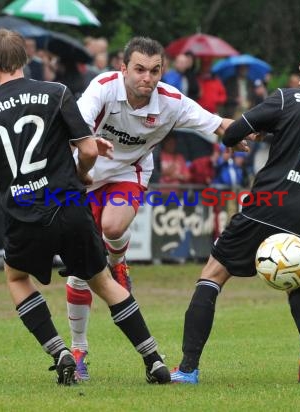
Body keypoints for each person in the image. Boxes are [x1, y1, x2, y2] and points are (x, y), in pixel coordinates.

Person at [0, 29, 170, 385]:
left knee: (16, 278)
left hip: (23, 211)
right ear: (26, 59)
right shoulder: (56, 93)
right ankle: (153, 359)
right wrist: (81, 174)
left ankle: (60, 351)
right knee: (103, 282)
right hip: (67, 204)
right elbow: (89, 149)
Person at [169, 39, 300, 384]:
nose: (299, 74)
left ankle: (188, 369)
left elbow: (233, 132)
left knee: (213, 274)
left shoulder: (286, 98)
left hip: (270, 205)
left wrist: (245, 137)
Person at [66, 36, 235, 381]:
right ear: (123, 68)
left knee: (113, 228)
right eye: (139, 69)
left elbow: (218, 124)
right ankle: (79, 348)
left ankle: (118, 260)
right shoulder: (103, 87)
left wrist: (249, 132)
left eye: (155, 70)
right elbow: (76, 125)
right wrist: (89, 144)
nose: (147, 77)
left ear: (163, 70)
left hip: (129, 172)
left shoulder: (171, 102)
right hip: (82, 174)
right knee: (80, 269)